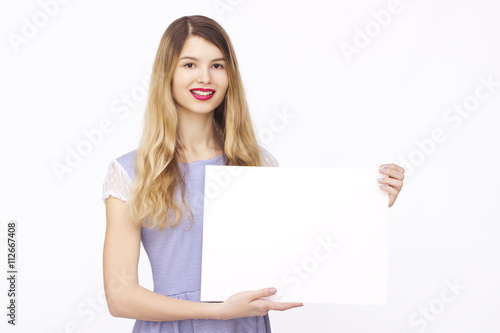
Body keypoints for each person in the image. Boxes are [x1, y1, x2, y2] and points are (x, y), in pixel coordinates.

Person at [102, 15, 404, 333]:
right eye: (189, 65)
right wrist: (217, 312)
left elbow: (303, 245)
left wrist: (372, 205)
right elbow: (120, 297)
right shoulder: (130, 172)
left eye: (217, 66)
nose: (205, 77)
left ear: (230, 74)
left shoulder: (256, 162)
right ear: (167, 73)